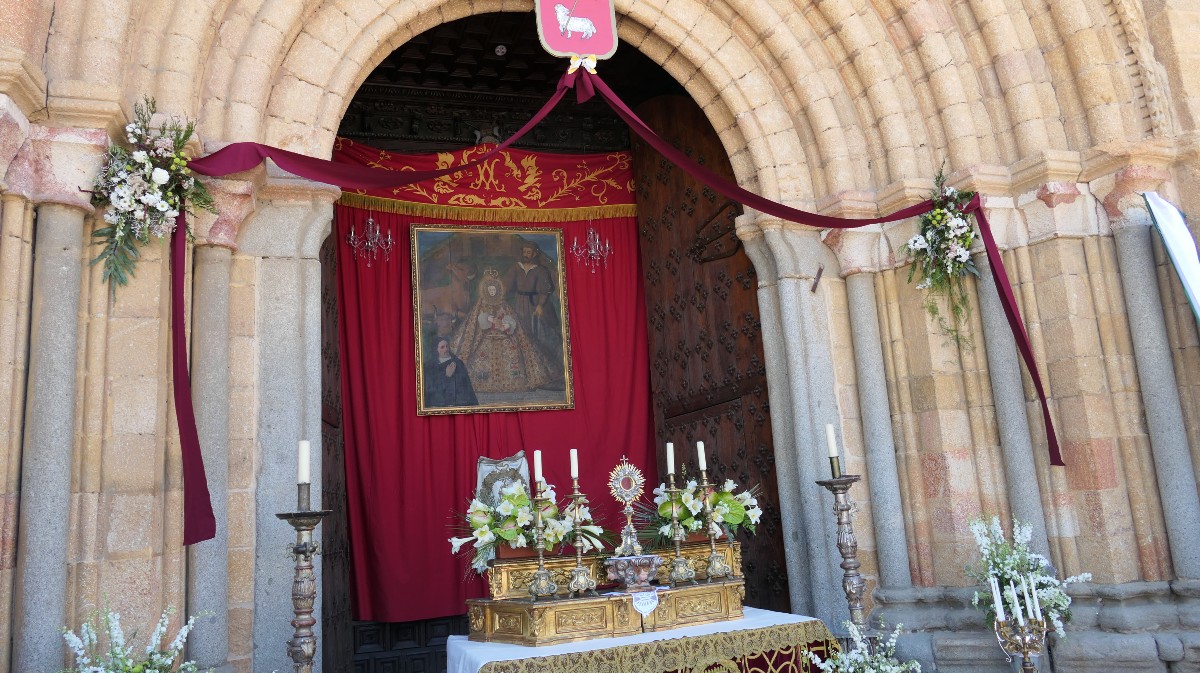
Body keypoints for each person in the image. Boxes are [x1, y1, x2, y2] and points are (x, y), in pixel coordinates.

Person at [453, 271, 553, 393]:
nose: (492, 292)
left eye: (494, 290)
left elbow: (510, 318)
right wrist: (488, 319)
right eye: (490, 290)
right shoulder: (481, 305)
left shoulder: (503, 304)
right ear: (486, 290)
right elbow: (477, 321)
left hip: (504, 336)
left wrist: (506, 324)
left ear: (497, 290)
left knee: (513, 354)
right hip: (486, 337)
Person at [502, 241, 564, 377]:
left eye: (528, 252)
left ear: (534, 254)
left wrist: (541, 305)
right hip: (519, 304)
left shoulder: (541, 270)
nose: (525, 254)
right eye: (524, 252)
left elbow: (545, 291)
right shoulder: (515, 268)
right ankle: (527, 372)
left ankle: (546, 371)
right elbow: (506, 284)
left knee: (539, 337)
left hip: (535, 305)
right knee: (522, 336)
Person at [423, 337, 479, 408]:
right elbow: (430, 390)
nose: (446, 349)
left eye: (447, 346)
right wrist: (446, 376)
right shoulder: (429, 366)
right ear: (436, 349)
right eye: (442, 347)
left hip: (458, 404)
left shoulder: (458, 363)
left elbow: (466, 387)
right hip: (439, 404)